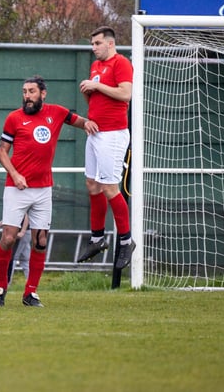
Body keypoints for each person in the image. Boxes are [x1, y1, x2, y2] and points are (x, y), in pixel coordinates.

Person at [0, 75, 94, 307]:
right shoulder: (14, 118)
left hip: (43, 189)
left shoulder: (56, 113)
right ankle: (0, 288)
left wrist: (92, 124)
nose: (27, 96)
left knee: (41, 241)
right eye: (24, 92)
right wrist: (15, 174)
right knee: (8, 237)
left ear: (43, 94)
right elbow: (2, 152)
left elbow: (79, 121)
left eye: (32, 92)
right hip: (17, 188)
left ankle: (30, 293)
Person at [76, 26, 136, 270]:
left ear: (110, 44)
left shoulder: (120, 63)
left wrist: (97, 86)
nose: (94, 48)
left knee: (111, 187)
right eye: (92, 44)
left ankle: (126, 241)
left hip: (113, 134)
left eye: (97, 43)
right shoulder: (96, 66)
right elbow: (96, 98)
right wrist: (89, 117)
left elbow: (126, 94)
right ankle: (97, 239)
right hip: (96, 132)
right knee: (92, 184)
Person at [0, 215, 30, 285]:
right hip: (26, 231)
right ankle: (31, 282)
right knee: (25, 259)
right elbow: (8, 218)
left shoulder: (18, 205)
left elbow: (26, 216)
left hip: (21, 232)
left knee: (13, 257)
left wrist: (22, 231)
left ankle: (7, 282)